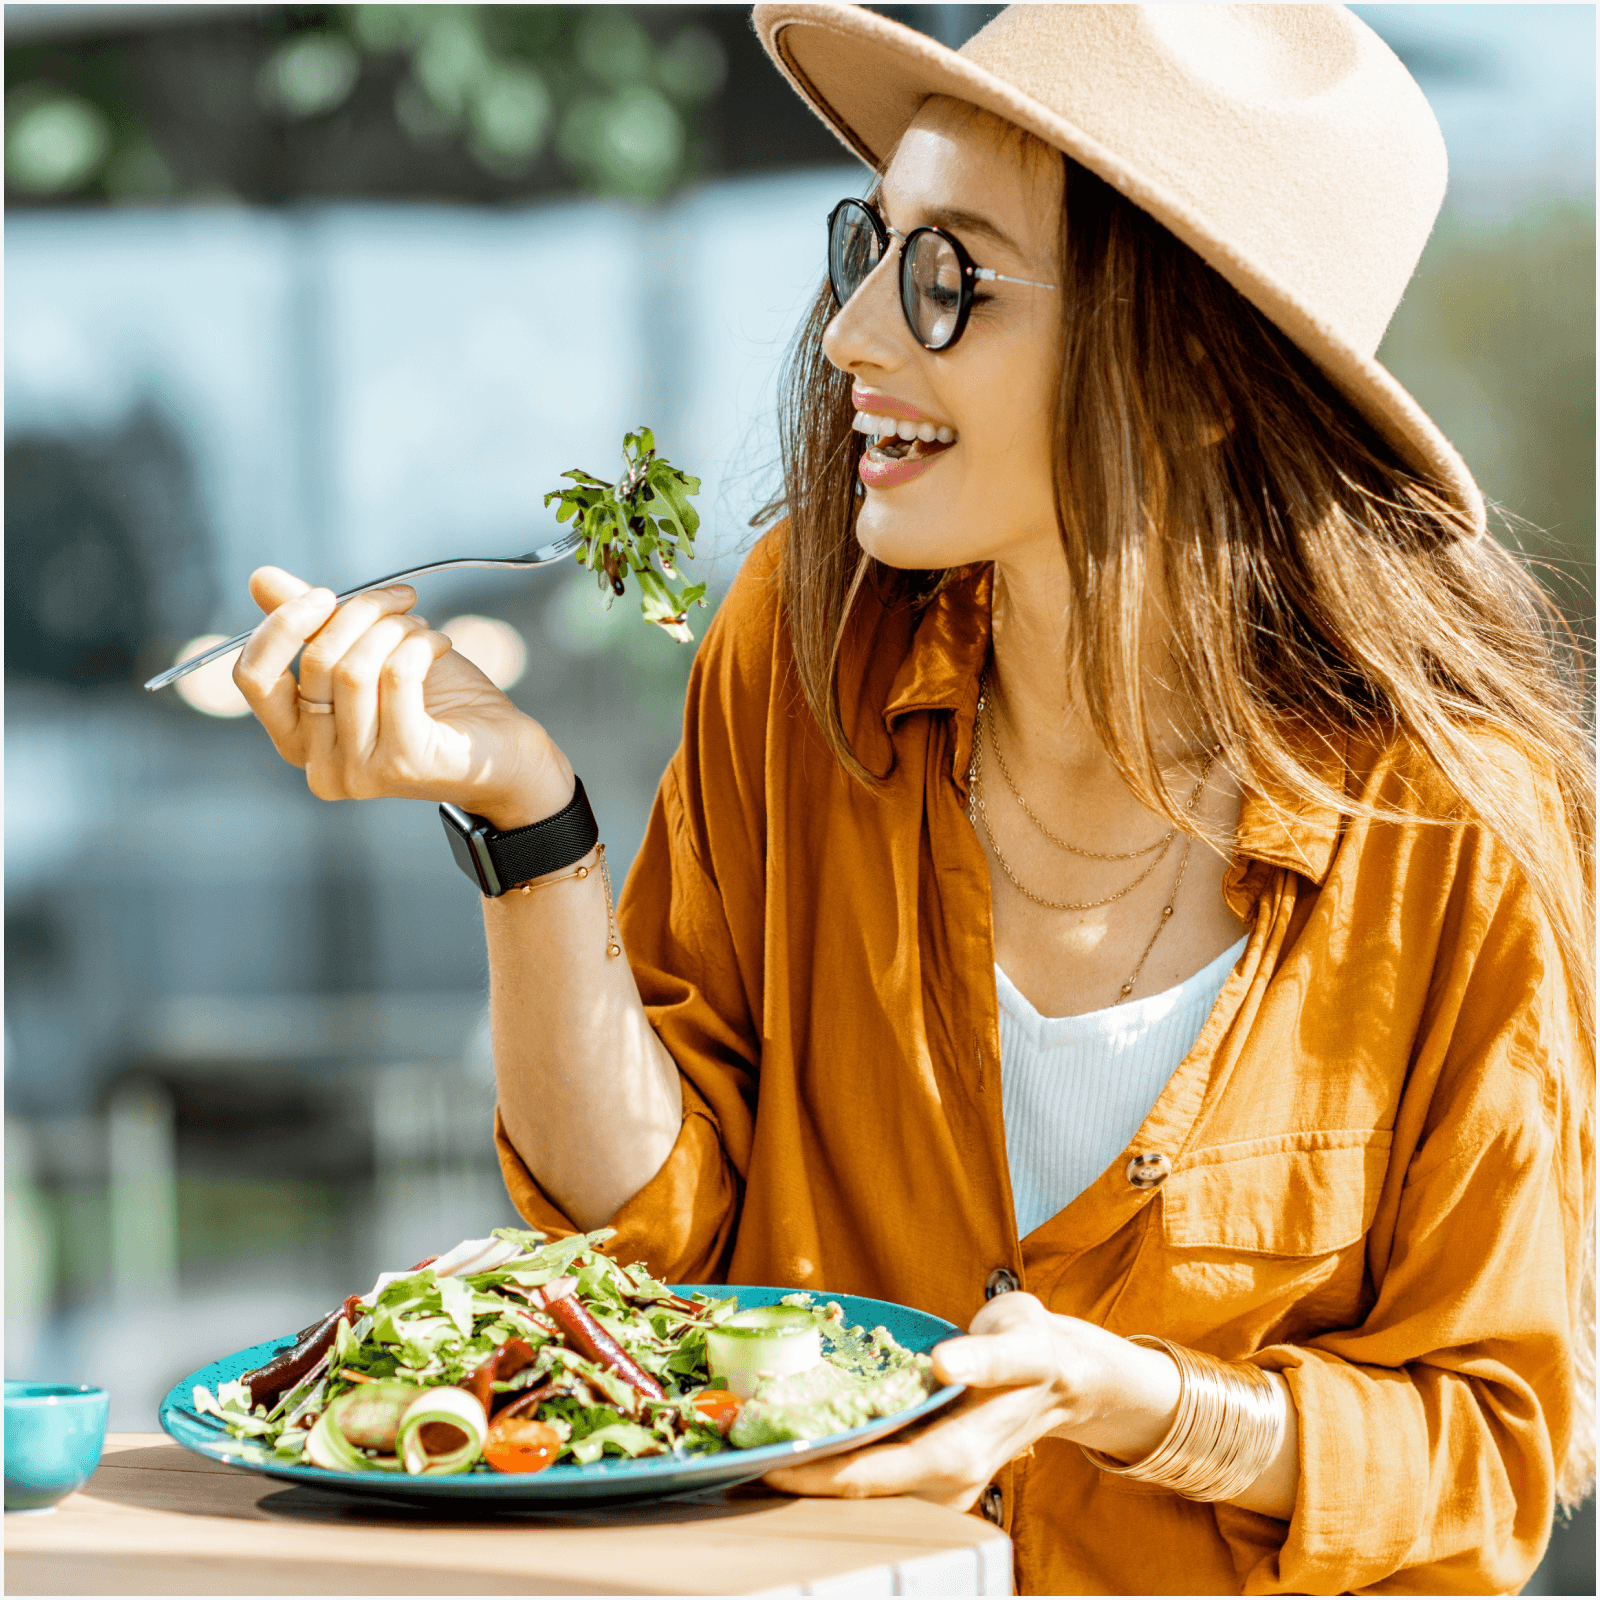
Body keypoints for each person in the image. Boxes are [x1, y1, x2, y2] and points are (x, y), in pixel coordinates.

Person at [232, 5, 1593, 1592]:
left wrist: (1137, 1405)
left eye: (950, 277)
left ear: (1201, 370)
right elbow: (654, 1232)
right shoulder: (799, 655)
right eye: (867, 250)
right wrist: (530, 819)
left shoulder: (1457, 832)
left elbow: (1486, 1460)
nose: (853, 336)